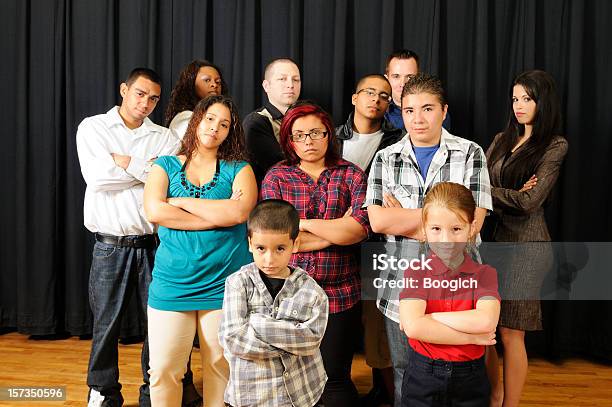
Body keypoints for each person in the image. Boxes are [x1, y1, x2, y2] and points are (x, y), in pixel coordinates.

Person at [364, 72, 492, 407]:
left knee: (463, 370)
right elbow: (378, 221)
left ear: (444, 110)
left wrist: (405, 217)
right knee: (406, 374)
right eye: (408, 110)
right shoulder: (385, 158)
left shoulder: (470, 153)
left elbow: (473, 224)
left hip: (459, 286)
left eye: (427, 109)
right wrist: (443, 219)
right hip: (400, 282)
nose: (417, 119)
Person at [77, 67, 202, 407]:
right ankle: (102, 391)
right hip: (109, 245)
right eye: (140, 94)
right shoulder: (93, 127)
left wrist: (125, 163)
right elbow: (98, 177)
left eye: (153, 98)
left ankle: (154, 391)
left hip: (154, 245)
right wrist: (145, 170)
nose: (145, 103)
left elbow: (171, 180)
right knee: (106, 322)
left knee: (160, 323)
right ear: (123, 90)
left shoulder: (164, 137)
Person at [143, 95, 257, 406]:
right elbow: (154, 211)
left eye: (224, 124)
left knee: (221, 366)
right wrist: (213, 217)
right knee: (164, 369)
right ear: (197, 120)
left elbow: (238, 214)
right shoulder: (164, 166)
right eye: (210, 119)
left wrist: (178, 203)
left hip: (225, 285)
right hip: (172, 283)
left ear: (230, 131)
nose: (215, 128)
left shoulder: (240, 168)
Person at [260, 103, 370, 407]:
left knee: (334, 379)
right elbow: (273, 239)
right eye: (299, 135)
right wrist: (335, 231)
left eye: (315, 133)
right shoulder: (277, 177)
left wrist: (300, 224)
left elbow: (359, 230)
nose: (308, 141)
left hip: (340, 292)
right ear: (289, 140)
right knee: (289, 377)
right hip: (288, 296)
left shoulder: (350, 174)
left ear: (328, 135)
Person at [484, 70, 568, 407]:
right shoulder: (500, 139)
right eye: (516, 98)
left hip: (527, 246)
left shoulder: (555, 145)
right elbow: (477, 186)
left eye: (527, 99)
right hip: (492, 242)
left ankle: (511, 404)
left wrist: (490, 193)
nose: (519, 105)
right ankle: (495, 395)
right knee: (486, 330)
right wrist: (508, 192)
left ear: (542, 101)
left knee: (510, 333)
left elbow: (529, 202)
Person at [399, 182, 501, 406]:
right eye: (436, 229)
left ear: (472, 227)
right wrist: (471, 338)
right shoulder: (415, 272)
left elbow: (485, 320)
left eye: (456, 229)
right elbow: (415, 328)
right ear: (424, 229)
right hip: (423, 375)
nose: (446, 239)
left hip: (470, 378)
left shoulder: (485, 274)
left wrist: (430, 318)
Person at [219, 199, 329, 407]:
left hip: (301, 395)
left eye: (280, 248)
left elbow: (311, 340)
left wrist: (257, 324)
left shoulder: (312, 291)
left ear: (294, 245)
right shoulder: (237, 283)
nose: (269, 259)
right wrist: (291, 343)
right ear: (250, 243)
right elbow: (233, 340)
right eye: (261, 248)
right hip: (250, 396)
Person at [336, 73, 403, 406]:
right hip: (337, 238)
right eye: (369, 93)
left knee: (378, 319)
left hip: (378, 241)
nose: (376, 100)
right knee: (341, 318)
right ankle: (337, 386)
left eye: (384, 96)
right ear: (354, 97)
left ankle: (387, 392)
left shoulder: (398, 141)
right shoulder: (332, 137)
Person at [243, 58, 301, 185]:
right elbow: (279, 167)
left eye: (296, 80)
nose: (290, 85)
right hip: (271, 198)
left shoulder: (307, 118)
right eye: (282, 79)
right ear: (266, 86)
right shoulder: (256, 122)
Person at [383, 49, 451, 131]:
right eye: (396, 76)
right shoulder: (378, 110)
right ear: (387, 79)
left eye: (409, 77)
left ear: (418, 77)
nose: (403, 83)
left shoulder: (437, 111)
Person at [164, 59, 228, 140]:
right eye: (207, 80)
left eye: (218, 82)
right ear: (191, 84)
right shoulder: (184, 118)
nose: (214, 85)